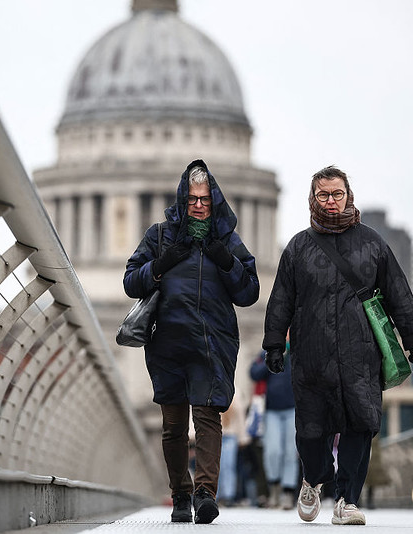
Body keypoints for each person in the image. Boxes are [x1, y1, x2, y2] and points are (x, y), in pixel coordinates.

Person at [261, 165, 413, 526]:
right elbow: (281, 299)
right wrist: (274, 344)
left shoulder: (372, 243)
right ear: (312, 198)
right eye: (324, 195)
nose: (331, 202)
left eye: (337, 194)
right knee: (310, 428)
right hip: (311, 353)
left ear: (348, 195)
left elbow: (398, 291)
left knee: (361, 424)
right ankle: (313, 479)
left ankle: (347, 501)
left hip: (360, 353)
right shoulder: (298, 247)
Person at [123, 159, 260, 524]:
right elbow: (130, 281)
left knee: (208, 417)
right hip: (168, 341)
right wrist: (160, 265)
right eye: (192, 199)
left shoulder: (226, 240)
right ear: (182, 199)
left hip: (212, 342)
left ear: (214, 200)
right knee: (173, 426)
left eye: (205, 199)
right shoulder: (159, 236)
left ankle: (204, 494)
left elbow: (249, 293)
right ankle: (180, 495)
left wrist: (226, 261)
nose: (199, 205)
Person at [250, 347, 299, 510]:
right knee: (272, 451)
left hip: (293, 409)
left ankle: (288, 492)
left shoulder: (298, 351)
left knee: (291, 452)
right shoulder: (265, 352)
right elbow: (254, 373)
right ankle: (274, 487)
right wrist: (271, 357)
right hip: (271, 411)